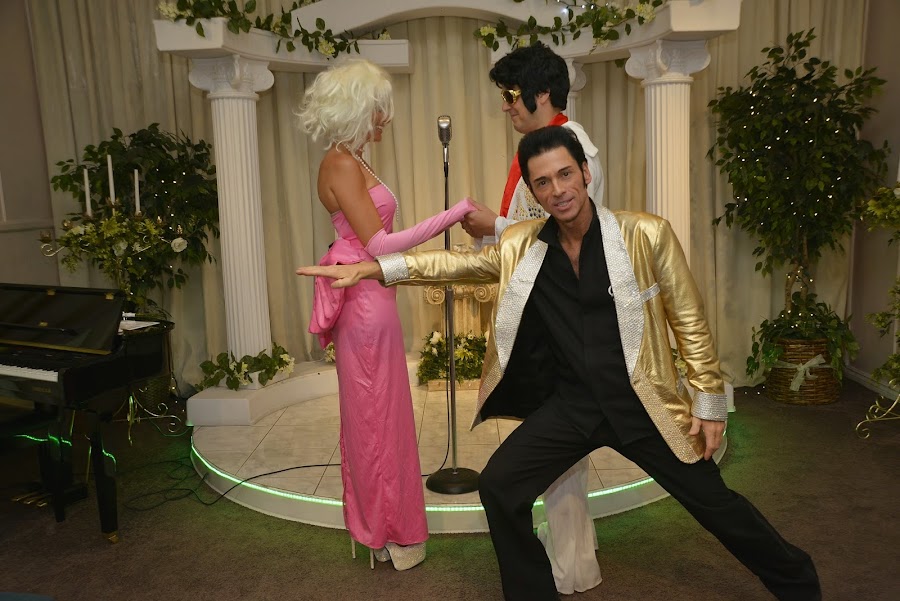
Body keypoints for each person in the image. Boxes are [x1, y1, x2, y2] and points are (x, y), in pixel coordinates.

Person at [296, 126, 822, 601]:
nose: (558, 190)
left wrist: (708, 403)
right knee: (500, 487)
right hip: (572, 407)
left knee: (716, 505)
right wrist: (374, 269)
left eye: (565, 174)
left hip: (641, 403)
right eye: (543, 182)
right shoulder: (523, 244)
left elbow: (689, 320)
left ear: (585, 173)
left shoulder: (645, 234)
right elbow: (455, 264)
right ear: (533, 191)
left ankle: (797, 581)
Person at [296, 58, 476, 571]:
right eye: (380, 108)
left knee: (385, 417)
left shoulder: (354, 159)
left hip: (376, 297)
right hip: (364, 307)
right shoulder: (341, 163)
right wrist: (455, 213)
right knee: (375, 421)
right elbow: (379, 244)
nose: (387, 118)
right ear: (358, 107)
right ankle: (382, 530)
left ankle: (386, 527)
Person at [461, 42, 603, 595]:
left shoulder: (571, 145)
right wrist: (494, 228)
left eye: (511, 95)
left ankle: (571, 565)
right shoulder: (543, 145)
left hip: (561, 318)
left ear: (542, 93)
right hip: (542, 312)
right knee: (555, 443)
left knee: (559, 446)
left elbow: (558, 232)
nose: (506, 106)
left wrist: (492, 227)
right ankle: (573, 551)